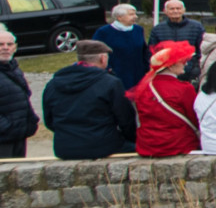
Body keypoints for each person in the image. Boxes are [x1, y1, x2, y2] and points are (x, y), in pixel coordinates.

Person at [43, 40, 136, 159]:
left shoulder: (53, 84)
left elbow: (49, 120)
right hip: (103, 145)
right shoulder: (110, 83)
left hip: (65, 147)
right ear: (103, 58)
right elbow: (126, 119)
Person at [127, 41, 201, 157]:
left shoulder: (144, 88)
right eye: (182, 61)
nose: (185, 64)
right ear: (171, 66)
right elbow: (195, 117)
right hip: (178, 145)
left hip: (148, 146)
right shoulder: (184, 88)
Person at [92, 4, 149, 95]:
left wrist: (147, 67)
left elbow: (144, 51)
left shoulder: (138, 30)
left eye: (135, 14)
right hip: (115, 73)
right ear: (119, 17)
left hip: (137, 73)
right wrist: (108, 69)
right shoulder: (104, 32)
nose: (135, 17)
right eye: (131, 14)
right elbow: (95, 52)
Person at [0, 29, 36, 158]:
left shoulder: (14, 69)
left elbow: (24, 97)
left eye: (9, 45)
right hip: (4, 138)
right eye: (1, 44)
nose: (5, 48)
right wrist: (6, 127)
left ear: (15, 47)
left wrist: (31, 121)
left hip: (18, 136)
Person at [149, 0, 205, 79]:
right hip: (166, 72)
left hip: (190, 71)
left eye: (178, 8)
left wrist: (196, 67)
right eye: (172, 9)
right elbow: (152, 51)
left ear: (184, 10)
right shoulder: (158, 29)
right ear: (165, 11)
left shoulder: (196, 27)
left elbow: (202, 49)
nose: (175, 11)